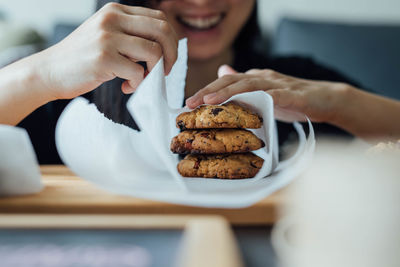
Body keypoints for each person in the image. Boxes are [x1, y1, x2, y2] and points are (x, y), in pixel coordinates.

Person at [0, 0, 399, 164]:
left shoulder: (300, 84)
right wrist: (39, 74)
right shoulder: (68, 97)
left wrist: (343, 102)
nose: (204, 2)